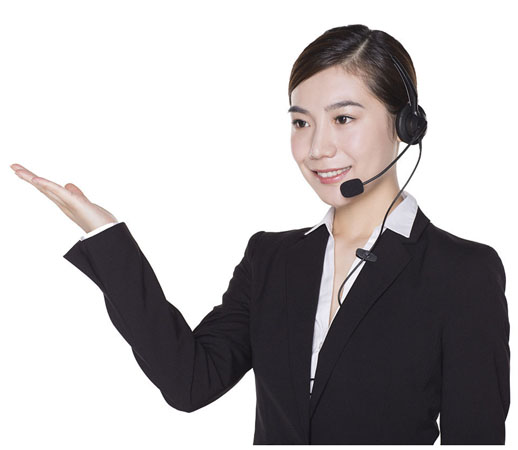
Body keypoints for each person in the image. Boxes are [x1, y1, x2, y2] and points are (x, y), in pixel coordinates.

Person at [10, 24, 510, 445]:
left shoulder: (461, 272)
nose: (317, 148)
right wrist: (103, 232)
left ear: (406, 125)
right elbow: (189, 382)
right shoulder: (272, 259)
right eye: (301, 123)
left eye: (343, 119)